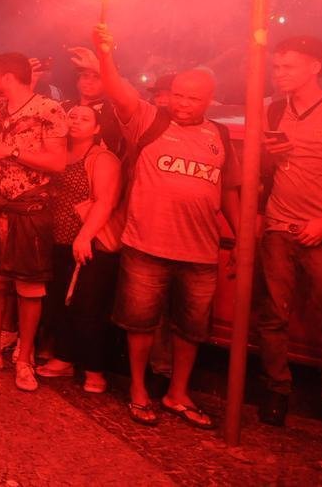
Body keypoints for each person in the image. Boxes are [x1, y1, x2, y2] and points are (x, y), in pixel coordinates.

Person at [93, 24, 240, 429]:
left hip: (200, 253)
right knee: (139, 323)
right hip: (146, 246)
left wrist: (244, 239)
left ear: (210, 100)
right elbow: (117, 89)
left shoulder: (220, 135)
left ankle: (178, 393)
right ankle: (139, 390)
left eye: (193, 98)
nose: (183, 103)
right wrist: (106, 53)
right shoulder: (148, 120)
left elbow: (229, 191)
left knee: (191, 330)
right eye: (178, 94)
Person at [0, 53, 67, 393]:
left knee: (29, 287)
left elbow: (58, 162)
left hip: (30, 209)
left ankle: (24, 360)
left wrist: (12, 152)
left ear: (6, 76)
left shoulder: (49, 110)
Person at [256, 35, 322, 434]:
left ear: (315, 67)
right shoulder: (273, 111)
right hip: (278, 225)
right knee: (272, 314)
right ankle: (276, 390)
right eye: (276, 66)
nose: (279, 74)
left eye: (288, 66)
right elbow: (263, 172)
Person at [35, 105, 122, 394]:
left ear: (97, 128)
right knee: (58, 302)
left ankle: (95, 370)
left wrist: (84, 237)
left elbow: (105, 201)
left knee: (88, 309)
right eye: (72, 116)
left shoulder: (102, 158)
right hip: (56, 240)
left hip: (89, 244)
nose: (76, 122)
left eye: (85, 119)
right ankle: (65, 358)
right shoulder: (59, 154)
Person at [66, 46, 125, 156]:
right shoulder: (63, 106)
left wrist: (100, 67)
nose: (89, 82)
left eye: (97, 77)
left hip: (100, 169)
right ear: (77, 81)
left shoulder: (115, 111)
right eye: (85, 76)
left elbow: (127, 97)